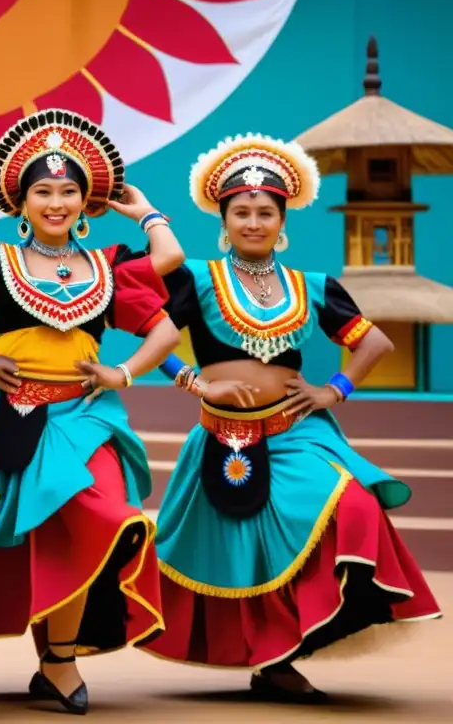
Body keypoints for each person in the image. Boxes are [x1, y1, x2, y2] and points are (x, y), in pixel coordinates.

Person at [143, 133, 442, 701]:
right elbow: (151, 338)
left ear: (282, 220)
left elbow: (374, 342)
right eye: (241, 212)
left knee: (352, 506)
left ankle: (296, 645)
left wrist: (335, 389)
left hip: (297, 431)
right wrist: (196, 381)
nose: (253, 222)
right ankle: (277, 662)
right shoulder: (196, 278)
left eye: (264, 212)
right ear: (223, 220)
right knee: (251, 552)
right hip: (223, 435)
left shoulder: (313, 287)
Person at [0, 108, 183, 715]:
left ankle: (60, 659)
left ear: (86, 200)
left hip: (84, 416)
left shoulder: (108, 265)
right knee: (29, 538)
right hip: (9, 412)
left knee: (94, 515)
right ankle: (53, 658)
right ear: (22, 199)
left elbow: (164, 312)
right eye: (44, 190)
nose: (57, 201)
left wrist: (124, 371)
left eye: (70, 191)